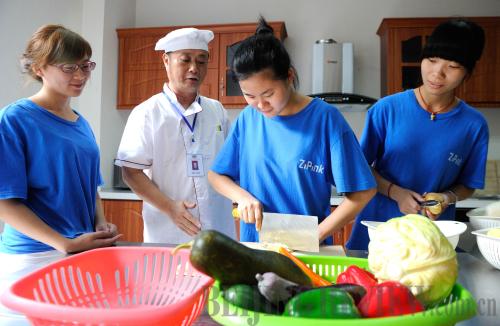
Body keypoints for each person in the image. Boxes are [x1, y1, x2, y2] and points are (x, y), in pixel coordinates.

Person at [208, 18, 377, 244]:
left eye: (268, 94)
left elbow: (362, 192)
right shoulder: (248, 119)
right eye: (249, 96)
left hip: (309, 251)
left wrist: (314, 236)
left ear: (289, 76)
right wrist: (242, 197)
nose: (260, 105)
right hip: (255, 248)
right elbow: (216, 175)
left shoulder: (326, 119)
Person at [346, 19, 488, 250]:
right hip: (377, 230)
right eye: (432, 60)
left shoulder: (474, 125)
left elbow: (468, 184)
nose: (437, 73)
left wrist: (446, 198)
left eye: (452, 66)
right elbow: (362, 168)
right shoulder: (386, 109)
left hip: (431, 236)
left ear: (467, 73)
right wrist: (395, 193)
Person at [0, 25, 120, 273]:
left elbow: (91, 189)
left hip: (80, 250)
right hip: (33, 256)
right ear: (38, 68)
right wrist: (64, 242)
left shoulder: (80, 123)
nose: (81, 75)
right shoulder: (14, 119)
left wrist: (100, 223)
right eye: (69, 67)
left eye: (85, 65)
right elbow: (5, 203)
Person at [115, 28, 235, 244]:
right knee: (170, 276)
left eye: (201, 61)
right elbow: (131, 173)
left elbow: (231, 164)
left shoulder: (217, 110)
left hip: (219, 230)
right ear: (166, 61)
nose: (193, 69)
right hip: (169, 233)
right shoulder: (147, 113)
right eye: (185, 60)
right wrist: (170, 207)